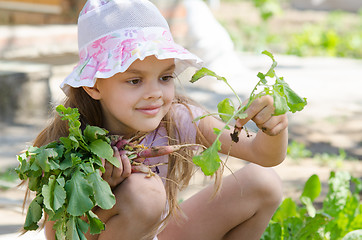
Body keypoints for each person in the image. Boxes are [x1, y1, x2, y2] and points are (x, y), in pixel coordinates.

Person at [34, 0, 288, 239]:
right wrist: (97, 193)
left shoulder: (177, 117)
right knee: (144, 193)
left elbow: (263, 154)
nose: (155, 93)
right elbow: (56, 234)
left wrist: (273, 127)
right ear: (93, 86)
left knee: (262, 182)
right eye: (135, 80)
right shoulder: (71, 144)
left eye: (165, 77)